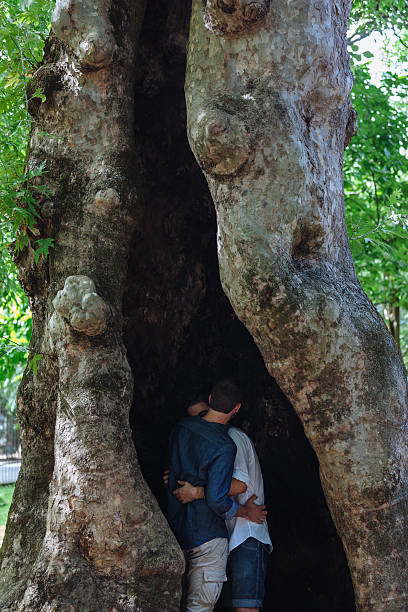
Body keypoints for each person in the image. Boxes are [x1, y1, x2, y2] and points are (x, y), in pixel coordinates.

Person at [167, 380, 267, 612]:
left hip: (177, 530)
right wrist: (244, 511)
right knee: (199, 606)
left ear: (210, 399)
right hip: (208, 534)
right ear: (237, 408)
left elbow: (173, 470)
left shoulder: (181, 428)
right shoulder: (224, 445)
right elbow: (216, 497)